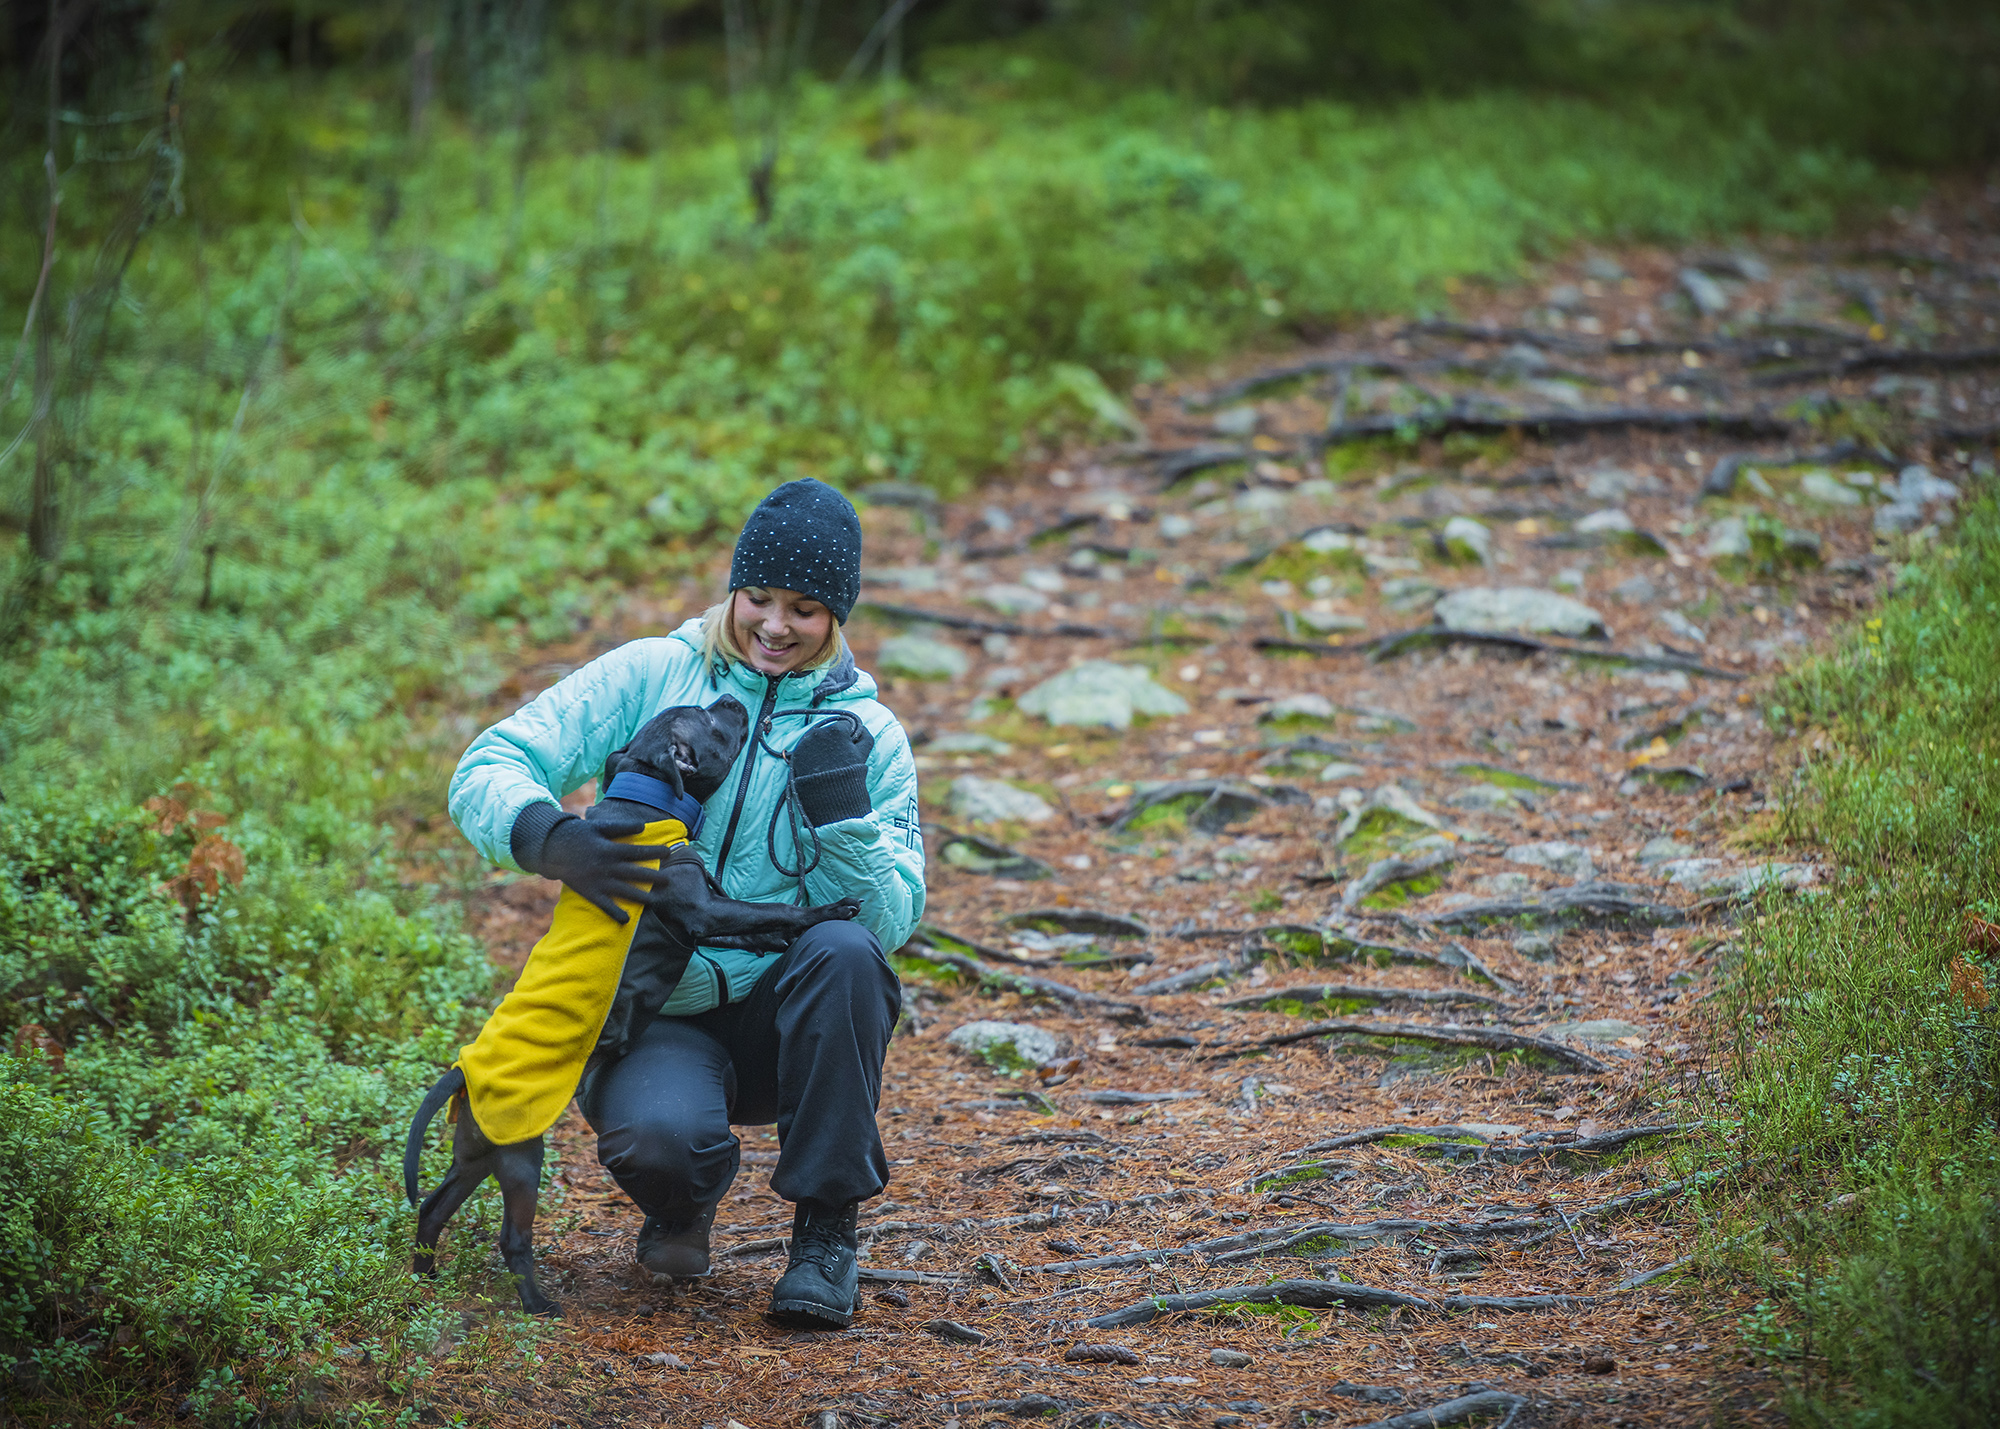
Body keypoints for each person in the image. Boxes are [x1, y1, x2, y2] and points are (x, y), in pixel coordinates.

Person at [447, 478, 922, 1328]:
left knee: (847, 953)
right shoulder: (652, 674)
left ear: (837, 616)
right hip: (656, 1007)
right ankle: (680, 1200)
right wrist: (552, 836)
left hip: (790, 1013)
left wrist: (846, 818)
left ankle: (825, 1235)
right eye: (760, 598)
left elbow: (889, 925)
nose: (775, 625)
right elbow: (492, 761)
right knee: (659, 1137)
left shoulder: (869, 735)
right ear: (734, 589)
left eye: (805, 608)